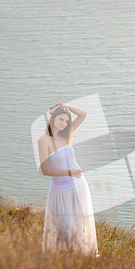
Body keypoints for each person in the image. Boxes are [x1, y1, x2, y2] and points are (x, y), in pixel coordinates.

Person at [37, 102, 99, 257]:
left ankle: (81, 257)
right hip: (60, 189)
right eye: (60, 119)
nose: (63, 124)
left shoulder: (66, 135)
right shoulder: (43, 140)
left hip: (78, 185)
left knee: (80, 224)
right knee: (63, 227)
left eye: (66, 121)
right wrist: (70, 172)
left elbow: (83, 114)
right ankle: (63, 259)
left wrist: (64, 105)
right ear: (52, 118)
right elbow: (45, 170)